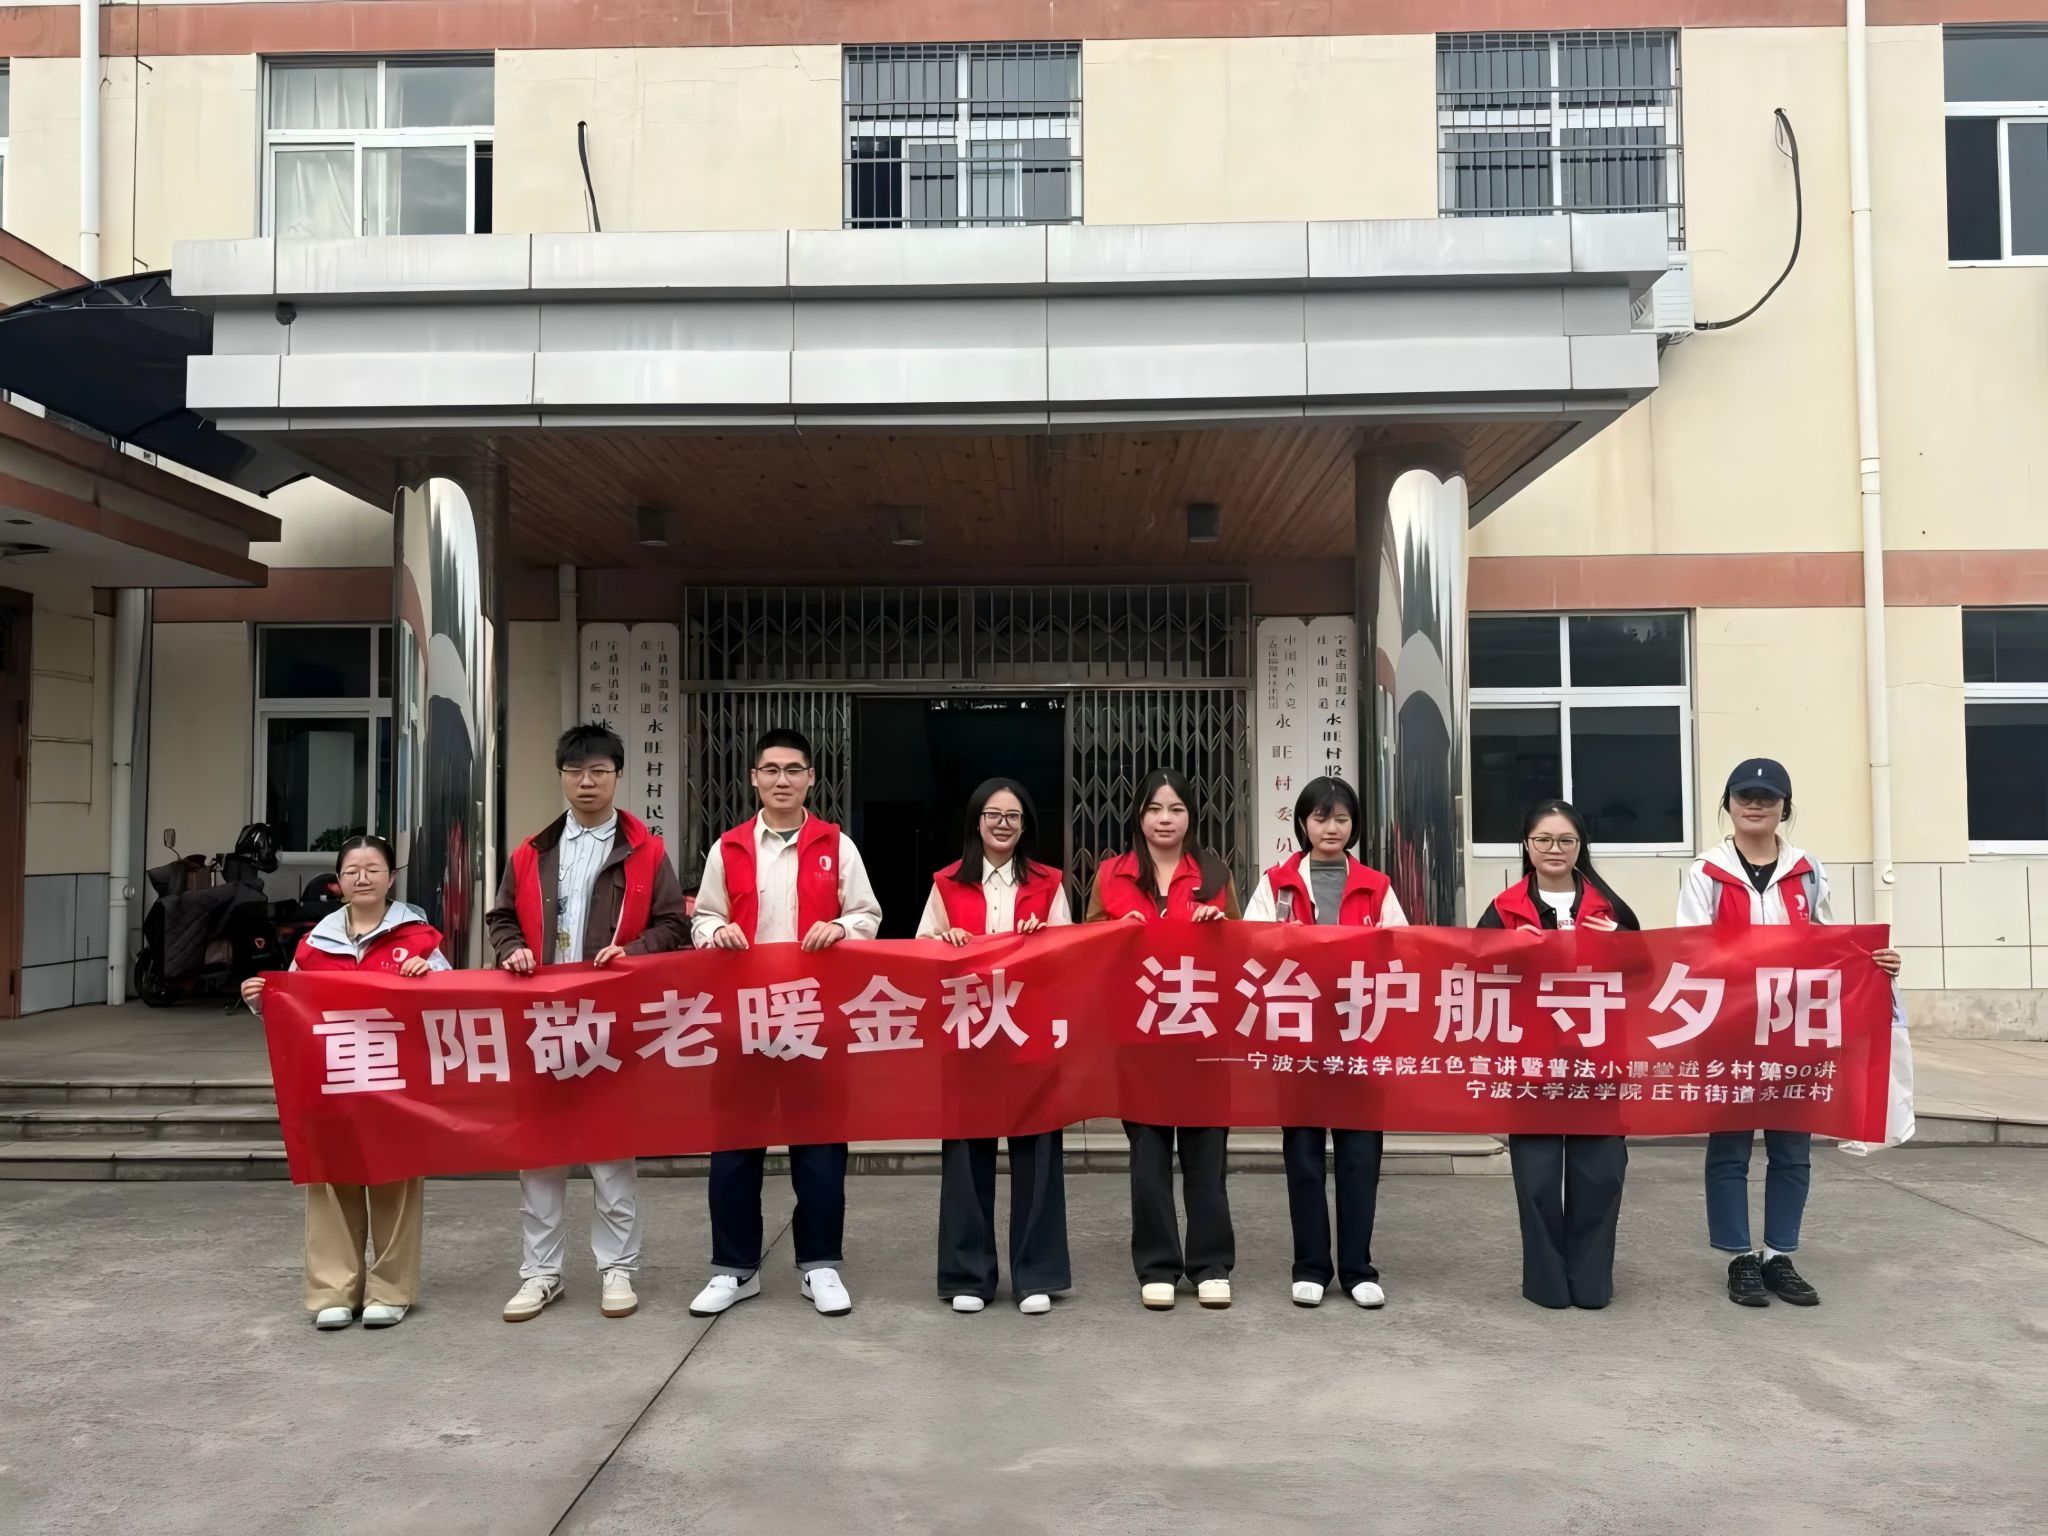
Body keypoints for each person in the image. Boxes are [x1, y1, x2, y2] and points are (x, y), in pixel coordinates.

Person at [486, 724, 691, 1324]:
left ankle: (617, 1268)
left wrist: (634, 951)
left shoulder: (646, 851)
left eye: (599, 771)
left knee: (610, 1151)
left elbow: (673, 924)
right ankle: (540, 1273)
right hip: (543, 1019)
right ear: (561, 777)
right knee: (540, 1153)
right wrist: (512, 951)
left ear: (617, 776)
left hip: (609, 1019)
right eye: (575, 771)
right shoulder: (532, 851)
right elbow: (501, 918)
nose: (586, 782)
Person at [1680, 758, 1900, 1309]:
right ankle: (1739, 1256)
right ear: (1728, 804)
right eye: (1745, 796)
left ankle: (1779, 1254)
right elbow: (1689, 948)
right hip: (1729, 1030)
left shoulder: (1808, 869)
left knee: (1792, 1149)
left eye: (1768, 797)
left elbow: (1828, 940)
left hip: (1794, 1028)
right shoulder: (1705, 871)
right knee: (1730, 1148)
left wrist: (1874, 962)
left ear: (1785, 807)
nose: (1755, 805)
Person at [687, 728, 883, 1319]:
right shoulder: (728, 848)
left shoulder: (836, 845)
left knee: (820, 1146)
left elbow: (867, 914)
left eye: (793, 770)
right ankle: (734, 1268)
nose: (781, 780)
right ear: (753, 778)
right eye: (770, 770)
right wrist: (715, 931)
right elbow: (703, 917)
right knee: (735, 1147)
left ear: (810, 779)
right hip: (742, 1018)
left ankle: (819, 1264)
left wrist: (840, 928)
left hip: (814, 1019)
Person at [242, 835, 449, 1331]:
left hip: (396, 1083)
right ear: (338, 881)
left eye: (373, 868)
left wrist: (430, 980)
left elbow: (450, 1005)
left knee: (395, 1181)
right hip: (333, 1081)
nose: (362, 878)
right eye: (352, 870)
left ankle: (390, 1289)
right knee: (332, 1183)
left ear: (392, 877)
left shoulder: (421, 939)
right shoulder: (314, 944)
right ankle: (334, 1290)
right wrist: (261, 1001)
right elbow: (296, 1008)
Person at [1243, 776, 1406, 1311]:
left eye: (1341, 818)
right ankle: (1310, 1266)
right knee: (1305, 1157)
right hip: (1298, 1039)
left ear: (1353, 825)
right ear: (1303, 823)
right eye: (1320, 817)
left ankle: (1358, 1269)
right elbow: (1250, 947)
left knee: (1360, 1157)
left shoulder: (1377, 886)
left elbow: (1403, 951)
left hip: (1360, 1039)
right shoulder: (1276, 884)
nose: (1331, 828)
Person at [916, 778, 1074, 1317]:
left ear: (1025, 825)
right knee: (966, 1157)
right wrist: (945, 943)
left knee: (1039, 1156)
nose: (1002, 824)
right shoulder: (946, 884)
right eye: (993, 815)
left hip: (1029, 1034)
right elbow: (920, 951)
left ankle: (1036, 1275)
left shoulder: (1050, 884)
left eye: (1013, 816)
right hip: (967, 1035)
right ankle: (969, 1274)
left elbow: (1069, 955)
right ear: (976, 821)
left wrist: (1042, 936)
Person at [1085, 768, 1239, 1311]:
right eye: (1154, 809)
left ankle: (1211, 1264)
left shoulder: (1215, 873)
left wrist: (1218, 926)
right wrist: (1114, 930)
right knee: (1148, 1159)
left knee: (1206, 1158)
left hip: (1202, 1035)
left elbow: (1243, 953)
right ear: (1139, 815)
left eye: (1175, 809)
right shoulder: (1111, 875)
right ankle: (1157, 1266)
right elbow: (1086, 948)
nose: (1165, 819)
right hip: (1140, 1038)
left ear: (1191, 816)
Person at [1477, 799, 1640, 1310]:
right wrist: (1507, 948)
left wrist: (1623, 944)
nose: (1554, 849)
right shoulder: (1503, 909)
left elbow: (1650, 975)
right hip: (1532, 1062)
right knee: (1539, 1177)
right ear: (1526, 846)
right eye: (1543, 840)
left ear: (1580, 846)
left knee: (1600, 1173)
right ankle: (1546, 1283)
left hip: (1597, 1062)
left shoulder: (1611, 909)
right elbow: (1471, 973)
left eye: (1566, 840)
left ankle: (1591, 1281)